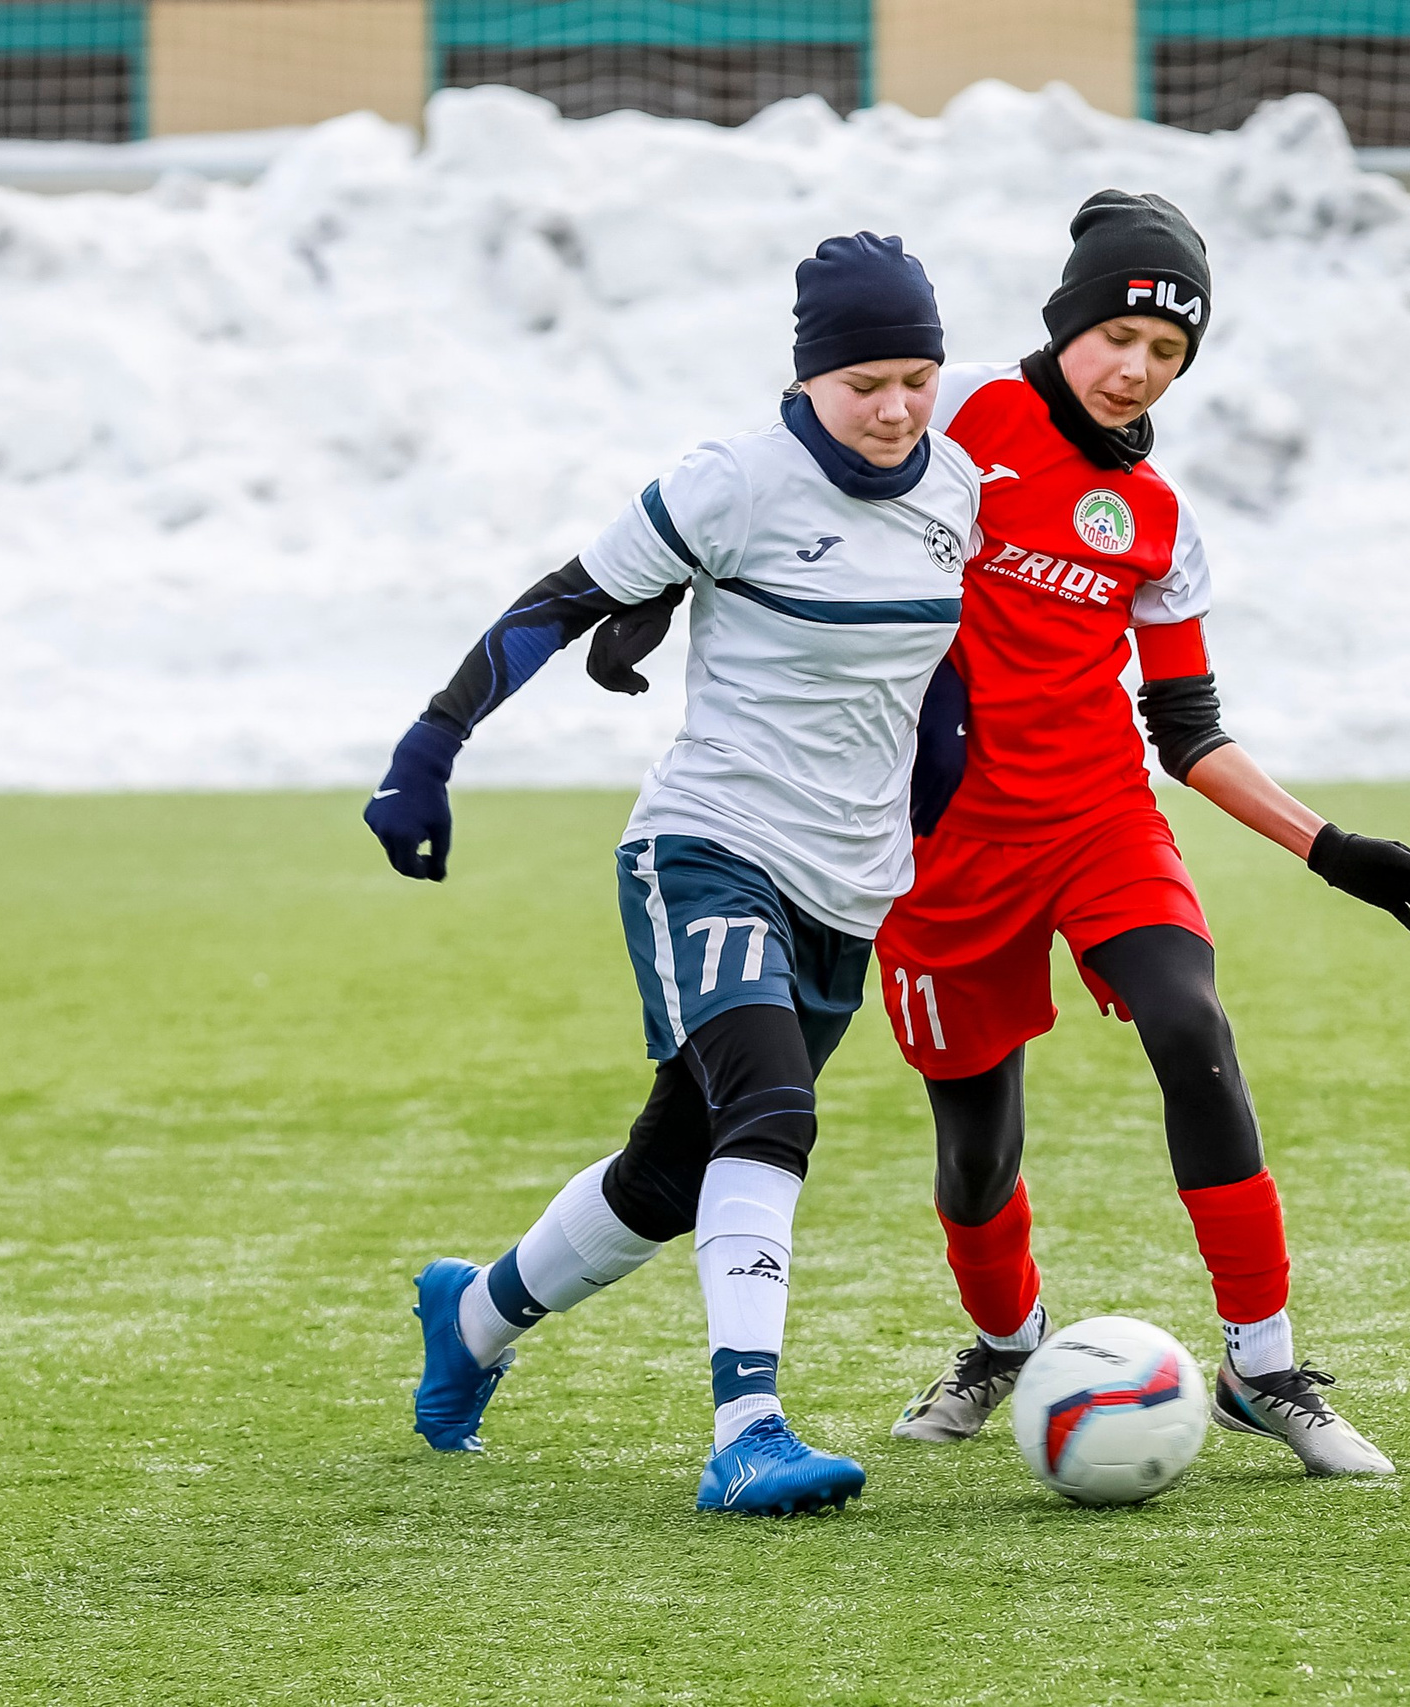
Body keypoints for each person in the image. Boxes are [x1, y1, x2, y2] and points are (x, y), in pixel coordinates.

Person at [362, 232, 977, 1516]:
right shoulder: (730, 482)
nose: (896, 406)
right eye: (866, 379)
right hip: (708, 849)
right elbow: (560, 602)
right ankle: (748, 1429)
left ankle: (470, 1317)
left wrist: (935, 807)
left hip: (848, 888)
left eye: (918, 374)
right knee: (773, 1114)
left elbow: (932, 676)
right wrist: (427, 750)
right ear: (808, 376)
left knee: (667, 1174)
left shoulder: (955, 494)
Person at [877, 192, 1410, 1475]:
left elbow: (1186, 730)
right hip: (937, 850)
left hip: (1098, 819)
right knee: (975, 1153)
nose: (1137, 372)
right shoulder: (959, 414)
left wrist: (1329, 845)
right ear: (1069, 324)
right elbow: (814, 480)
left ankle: (1263, 1364)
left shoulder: (1160, 518)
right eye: (1119, 340)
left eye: (1169, 356)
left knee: (1191, 1029)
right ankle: (1007, 1344)